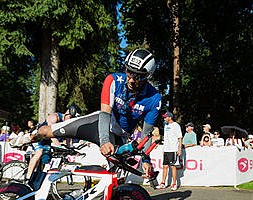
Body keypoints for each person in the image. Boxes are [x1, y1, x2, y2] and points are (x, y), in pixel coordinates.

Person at [37, 48, 162, 179]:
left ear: (148, 76)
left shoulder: (154, 99)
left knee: (116, 182)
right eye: (129, 72)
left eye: (137, 76)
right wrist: (104, 141)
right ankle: (30, 136)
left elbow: (146, 134)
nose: (131, 79)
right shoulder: (113, 80)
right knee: (44, 132)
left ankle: (78, 196)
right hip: (98, 124)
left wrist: (146, 160)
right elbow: (105, 113)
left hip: (120, 136)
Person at [157, 112, 182, 191]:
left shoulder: (176, 125)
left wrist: (179, 149)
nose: (164, 118)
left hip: (173, 149)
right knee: (164, 166)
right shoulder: (166, 125)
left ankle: (174, 184)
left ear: (170, 117)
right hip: (166, 149)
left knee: (173, 167)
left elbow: (180, 138)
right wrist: (164, 149)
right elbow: (166, 138)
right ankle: (163, 183)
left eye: (165, 117)